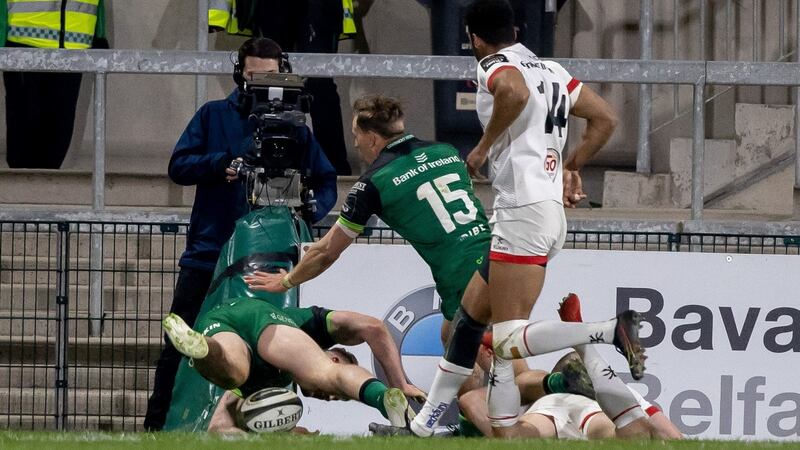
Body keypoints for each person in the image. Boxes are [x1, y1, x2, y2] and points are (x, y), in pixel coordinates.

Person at [246, 94, 639, 438]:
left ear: (370, 136)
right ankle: (448, 420)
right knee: (463, 343)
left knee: (475, 383)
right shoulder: (446, 151)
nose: (357, 144)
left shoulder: (373, 183)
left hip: (459, 277)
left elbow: (328, 252)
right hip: (495, 255)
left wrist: (288, 280)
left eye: (355, 136)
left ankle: (541, 395)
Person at [460, 0, 643, 438]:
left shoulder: (493, 64)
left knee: (506, 339)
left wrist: (483, 146)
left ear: (473, 36)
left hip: (522, 208)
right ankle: (437, 419)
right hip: (547, 211)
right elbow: (605, 118)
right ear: (517, 28)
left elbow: (515, 93)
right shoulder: (553, 70)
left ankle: (602, 331)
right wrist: (571, 165)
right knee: (470, 323)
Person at [143, 37, 338, 431]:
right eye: (252, 76)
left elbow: (325, 178)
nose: (261, 85)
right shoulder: (213, 115)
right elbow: (179, 165)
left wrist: (312, 208)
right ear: (239, 73)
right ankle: (157, 426)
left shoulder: (297, 127)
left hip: (270, 258)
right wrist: (221, 164)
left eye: (269, 77)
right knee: (179, 343)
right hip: (209, 252)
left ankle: (251, 426)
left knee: (266, 346)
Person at [161, 300, 423, 430]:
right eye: (338, 396)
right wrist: (400, 384)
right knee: (327, 374)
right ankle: (382, 398)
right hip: (265, 320)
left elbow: (219, 427)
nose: (330, 398)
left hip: (220, 325)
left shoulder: (275, 385)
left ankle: (203, 347)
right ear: (333, 355)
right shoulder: (313, 325)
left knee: (235, 372)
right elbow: (373, 326)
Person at [458, 294, 683, 440]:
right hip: (574, 409)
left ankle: (581, 341)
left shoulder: (528, 379)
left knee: (510, 439)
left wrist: (559, 383)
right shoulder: (502, 388)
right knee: (642, 435)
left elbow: (525, 383)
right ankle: (583, 339)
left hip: (564, 407)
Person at [208, 0, 356, 175]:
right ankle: (265, 158)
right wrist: (217, 14)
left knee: (319, 82)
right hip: (270, 6)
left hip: (319, 6)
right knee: (268, 82)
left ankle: (331, 165)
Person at [1, 0, 109, 168]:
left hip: (73, 50)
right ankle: (24, 190)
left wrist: (99, 34)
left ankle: (45, 189)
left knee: (59, 135)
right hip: (25, 48)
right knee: (24, 140)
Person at [207, 347, 358, 434]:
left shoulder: (287, 387)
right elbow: (218, 430)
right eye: (336, 391)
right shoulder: (273, 367)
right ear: (334, 361)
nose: (330, 398)